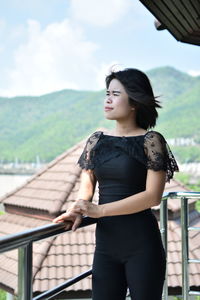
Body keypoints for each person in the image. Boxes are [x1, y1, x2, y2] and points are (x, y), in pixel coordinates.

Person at [53, 68, 179, 300]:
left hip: (142, 246)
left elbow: (152, 196)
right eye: (107, 93)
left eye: (116, 94)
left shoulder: (151, 141)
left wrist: (99, 210)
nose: (108, 99)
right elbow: (87, 186)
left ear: (134, 102)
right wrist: (78, 209)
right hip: (106, 247)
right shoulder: (96, 141)